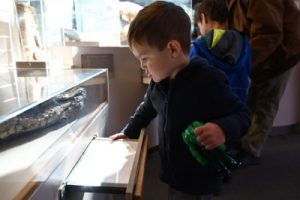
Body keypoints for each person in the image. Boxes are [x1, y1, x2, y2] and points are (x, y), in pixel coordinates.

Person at [110, 1, 250, 199]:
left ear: (173, 49)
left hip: (200, 179)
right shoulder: (159, 83)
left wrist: (222, 129)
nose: (143, 66)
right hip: (174, 173)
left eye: (145, 58)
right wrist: (128, 132)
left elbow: (242, 115)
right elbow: (146, 109)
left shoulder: (208, 80)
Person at [226, 0, 300, 167]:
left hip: (281, 54)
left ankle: (251, 149)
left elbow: (270, 34)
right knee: (252, 98)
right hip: (265, 52)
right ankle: (243, 140)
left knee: (265, 102)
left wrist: (243, 63)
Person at [190, 0, 252, 104]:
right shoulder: (244, 42)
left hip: (210, 113)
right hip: (238, 109)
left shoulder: (199, 47)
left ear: (204, 18)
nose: (200, 31)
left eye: (199, 25)